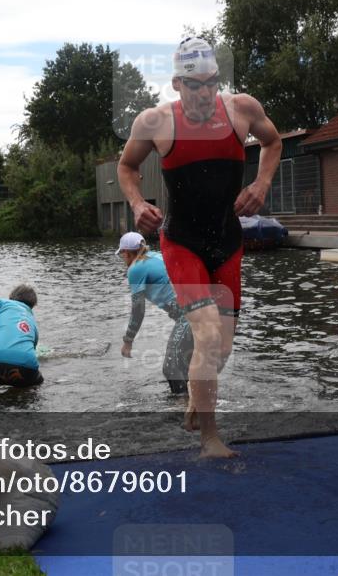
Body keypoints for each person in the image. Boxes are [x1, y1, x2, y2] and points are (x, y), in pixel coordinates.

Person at [117, 37, 282, 458]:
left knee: (221, 347)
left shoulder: (242, 109)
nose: (205, 93)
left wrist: (262, 183)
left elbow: (273, 141)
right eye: (195, 86)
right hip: (182, 242)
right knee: (207, 333)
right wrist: (137, 203)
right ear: (177, 84)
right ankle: (210, 439)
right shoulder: (154, 122)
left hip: (227, 241)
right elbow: (127, 166)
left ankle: (195, 396)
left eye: (211, 83)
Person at [117, 232, 192, 394]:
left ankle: (181, 412)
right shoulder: (157, 256)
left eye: (122, 255)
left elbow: (138, 310)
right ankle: (192, 407)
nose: (123, 260)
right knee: (183, 369)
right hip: (201, 311)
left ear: (126, 252)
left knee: (170, 368)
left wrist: (128, 340)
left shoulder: (136, 269)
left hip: (188, 317)